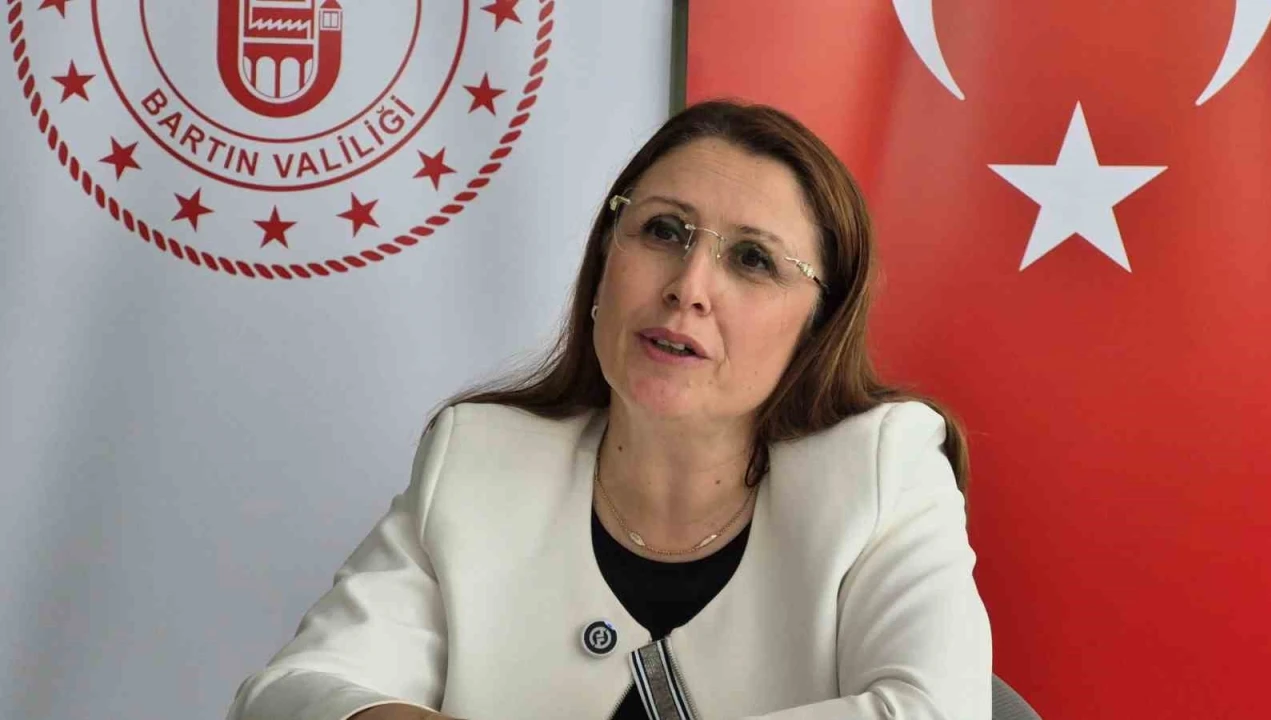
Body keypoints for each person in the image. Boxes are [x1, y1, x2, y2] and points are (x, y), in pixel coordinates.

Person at [225, 100, 992, 720]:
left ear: (817, 328)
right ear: (603, 261)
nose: (688, 286)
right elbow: (288, 694)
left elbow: (936, 711)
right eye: (663, 231)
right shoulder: (480, 458)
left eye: (753, 259)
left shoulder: (882, 471)